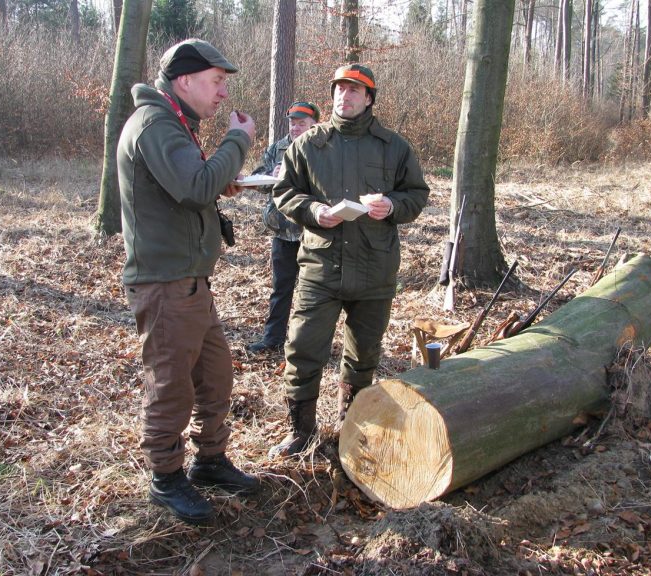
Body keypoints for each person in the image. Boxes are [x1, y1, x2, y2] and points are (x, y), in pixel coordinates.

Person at [117, 38, 260, 525]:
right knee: (171, 385)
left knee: (215, 374)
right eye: (217, 82)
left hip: (191, 282)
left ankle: (210, 462)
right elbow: (194, 186)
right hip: (165, 284)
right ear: (184, 80)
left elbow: (189, 186)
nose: (223, 94)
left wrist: (220, 175)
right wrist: (237, 141)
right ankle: (166, 477)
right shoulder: (157, 125)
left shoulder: (175, 123)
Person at [269, 64, 430, 457]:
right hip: (320, 268)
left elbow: (417, 195)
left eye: (355, 90)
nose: (346, 95)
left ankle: (350, 426)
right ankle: (301, 432)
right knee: (303, 347)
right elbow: (284, 191)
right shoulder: (309, 144)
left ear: (369, 98)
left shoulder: (394, 146)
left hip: (375, 268)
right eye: (340, 88)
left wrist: (392, 204)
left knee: (363, 355)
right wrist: (312, 211)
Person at [247, 101, 320, 353]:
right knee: (281, 289)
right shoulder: (277, 148)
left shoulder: (324, 148)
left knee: (314, 293)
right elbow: (258, 180)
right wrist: (274, 176)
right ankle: (273, 339)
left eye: (301, 122)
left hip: (314, 232)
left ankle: (309, 343)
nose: (296, 127)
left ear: (314, 124)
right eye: (292, 122)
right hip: (283, 232)